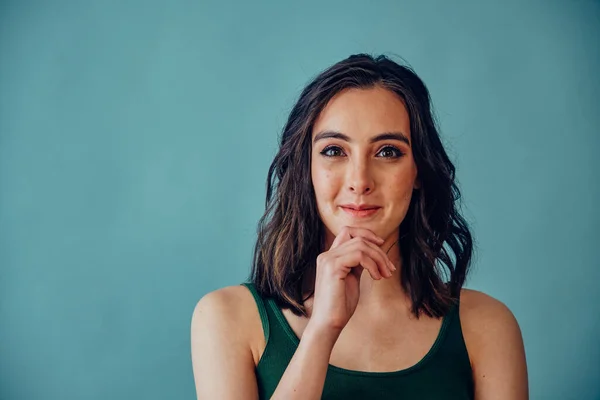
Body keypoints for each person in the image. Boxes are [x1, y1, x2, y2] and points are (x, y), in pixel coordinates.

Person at [190, 53, 528, 399]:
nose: (359, 181)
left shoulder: (487, 326)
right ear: (306, 170)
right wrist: (322, 330)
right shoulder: (227, 317)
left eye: (387, 152)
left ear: (419, 172)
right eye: (334, 150)